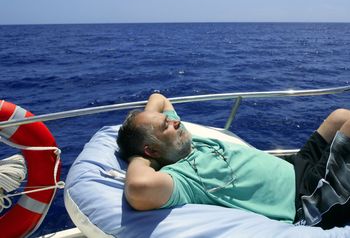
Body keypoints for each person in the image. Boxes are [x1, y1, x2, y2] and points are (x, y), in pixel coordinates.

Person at [117, 93, 350, 229]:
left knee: (340, 116)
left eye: (169, 119)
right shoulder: (184, 178)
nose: (174, 121)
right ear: (152, 151)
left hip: (294, 166)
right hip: (306, 199)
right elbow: (139, 188)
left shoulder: (182, 142)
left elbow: (158, 98)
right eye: (164, 125)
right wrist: (138, 156)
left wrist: (150, 126)